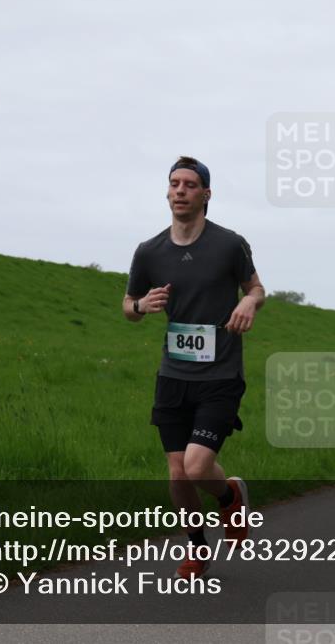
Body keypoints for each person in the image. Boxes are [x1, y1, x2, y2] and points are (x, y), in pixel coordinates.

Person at [123, 156, 266, 580]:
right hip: (173, 376)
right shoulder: (149, 251)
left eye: (189, 184)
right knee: (176, 471)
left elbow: (257, 288)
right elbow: (127, 307)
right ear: (167, 192)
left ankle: (230, 496)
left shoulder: (229, 244)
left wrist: (247, 301)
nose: (180, 190)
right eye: (174, 183)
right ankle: (197, 549)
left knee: (197, 466)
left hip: (220, 376)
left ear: (206, 194)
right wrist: (141, 306)